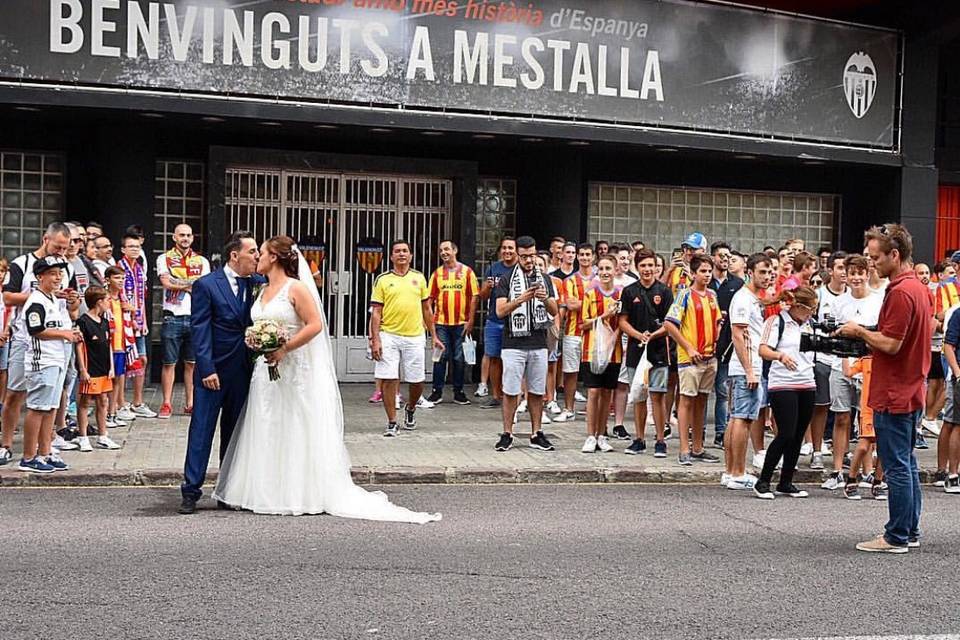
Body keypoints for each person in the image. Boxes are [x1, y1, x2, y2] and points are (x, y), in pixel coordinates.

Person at [210, 236, 440, 522]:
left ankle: (297, 491)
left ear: (275, 258)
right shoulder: (262, 289)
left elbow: (315, 325)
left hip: (294, 368)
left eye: (263, 253)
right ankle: (263, 489)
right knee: (267, 424)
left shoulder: (297, 288)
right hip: (265, 372)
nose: (257, 257)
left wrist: (285, 347)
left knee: (294, 425)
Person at [839, 223, 930, 554]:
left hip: (895, 390)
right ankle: (910, 529)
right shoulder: (918, 288)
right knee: (906, 462)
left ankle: (896, 536)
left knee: (895, 466)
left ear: (895, 254)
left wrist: (859, 332)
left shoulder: (902, 291)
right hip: (910, 387)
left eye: (875, 257)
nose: (871, 262)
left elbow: (891, 344)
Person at [178, 232, 264, 514]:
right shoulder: (207, 284)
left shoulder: (257, 284)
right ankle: (191, 490)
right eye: (252, 252)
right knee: (202, 430)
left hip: (243, 369)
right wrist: (206, 368)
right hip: (212, 371)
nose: (257, 257)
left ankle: (227, 489)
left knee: (234, 432)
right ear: (234, 255)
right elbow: (200, 329)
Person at [0, 223, 73, 466]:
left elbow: (70, 307)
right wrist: (40, 296)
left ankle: (45, 448)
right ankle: (6, 444)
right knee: (15, 393)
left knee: (51, 398)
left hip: (58, 340)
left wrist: (70, 300)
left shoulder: (66, 268)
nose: (62, 251)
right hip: (26, 338)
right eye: (57, 246)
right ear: (45, 239)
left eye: (66, 247)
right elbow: (8, 296)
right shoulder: (23, 263)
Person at [821, 255, 883, 492]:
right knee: (841, 417)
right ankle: (837, 470)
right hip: (841, 365)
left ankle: (867, 473)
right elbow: (833, 332)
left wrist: (861, 333)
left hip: (869, 367)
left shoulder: (878, 300)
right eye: (852, 273)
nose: (857, 278)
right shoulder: (840, 302)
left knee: (866, 422)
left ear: (867, 274)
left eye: (861, 273)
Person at [370, 240, 443, 437]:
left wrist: (433, 335)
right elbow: (376, 312)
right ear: (391, 256)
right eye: (397, 251)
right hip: (389, 335)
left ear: (410, 255)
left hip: (415, 335)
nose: (401, 254)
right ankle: (392, 421)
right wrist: (375, 339)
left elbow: (427, 309)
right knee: (388, 378)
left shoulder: (419, 278)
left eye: (405, 251)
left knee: (417, 380)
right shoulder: (383, 280)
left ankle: (410, 408)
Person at [492, 235, 558, 453]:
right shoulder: (506, 279)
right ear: (517, 255)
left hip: (539, 342)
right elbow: (500, 311)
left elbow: (554, 310)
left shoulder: (544, 278)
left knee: (537, 391)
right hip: (513, 344)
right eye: (525, 256)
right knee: (511, 391)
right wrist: (520, 299)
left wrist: (544, 297)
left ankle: (536, 433)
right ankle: (507, 433)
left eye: (533, 255)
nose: (529, 260)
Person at [753, 287, 819, 499]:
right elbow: (763, 349)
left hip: (807, 381)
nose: (811, 313)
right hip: (783, 383)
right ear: (797, 306)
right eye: (809, 309)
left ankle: (786, 481)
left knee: (798, 434)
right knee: (786, 433)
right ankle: (763, 480)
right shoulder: (776, 321)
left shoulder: (810, 325)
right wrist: (780, 356)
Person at [17, 256, 81, 473]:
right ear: (40, 276)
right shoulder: (36, 301)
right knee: (37, 408)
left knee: (51, 408)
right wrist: (64, 334)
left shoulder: (53, 299)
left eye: (60, 273)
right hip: (41, 361)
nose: (58, 277)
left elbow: (68, 318)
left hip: (57, 360)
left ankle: (45, 452)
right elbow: (36, 330)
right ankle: (28, 457)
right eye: (52, 273)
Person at [664, 254, 722, 466]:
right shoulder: (684, 295)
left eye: (709, 271)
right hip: (690, 358)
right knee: (686, 400)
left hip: (709, 356)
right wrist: (688, 347)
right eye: (703, 271)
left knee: (702, 401)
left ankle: (698, 447)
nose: (707, 275)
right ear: (694, 273)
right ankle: (684, 448)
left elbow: (717, 321)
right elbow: (670, 324)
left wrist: (716, 341)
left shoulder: (712, 295)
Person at [724, 253, 774, 490]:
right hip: (746, 366)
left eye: (769, 271)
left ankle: (730, 472)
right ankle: (737, 472)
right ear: (750, 272)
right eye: (762, 272)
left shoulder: (753, 298)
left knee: (737, 418)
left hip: (747, 366)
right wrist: (750, 371)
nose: (767, 276)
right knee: (742, 420)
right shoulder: (743, 298)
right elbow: (738, 334)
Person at [618, 249, 673, 457]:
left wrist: (654, 335)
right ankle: (639, 439)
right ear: (637, 267)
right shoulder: (629, 291)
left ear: (656, 267)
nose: (647, 269)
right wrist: (639, 335)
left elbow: (670, 323)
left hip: (659, 351)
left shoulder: (665, 292)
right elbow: (622, 321)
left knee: (658, 396)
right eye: (643, 266)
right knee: (638, 396)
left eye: (651, 265)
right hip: (635, 350)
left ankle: (660, 440)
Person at [156, 224, 211, 418]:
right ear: (174, 237)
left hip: (195, 316)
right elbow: (165, 282)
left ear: (193, 238)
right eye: (181, 235)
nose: (185, 238)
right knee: (169, 362)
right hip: (172, 315)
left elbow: (203, 286)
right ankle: (166, 403)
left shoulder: (202, 261)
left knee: (192, 363)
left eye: (188, 235)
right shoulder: (165, 258)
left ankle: (190, 403)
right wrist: (189, 285)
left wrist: (178, 283)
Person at [807, 251, 847, 468]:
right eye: (840, 268)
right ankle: (817, 450)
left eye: (846, 269)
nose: (844, 273)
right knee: (820, 406)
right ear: (830, 270)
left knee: (845, 410)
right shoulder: (820, 295)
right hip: (822, 357)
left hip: (845, 359)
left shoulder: (853, 296)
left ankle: (843, 450)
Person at [426, 240, 478, 406]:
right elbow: (430, 300)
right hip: (441, 323)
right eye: (441, 250)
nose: (444, 252)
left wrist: (470, 321)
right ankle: (436, 391)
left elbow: (474, 298)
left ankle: (459, 392)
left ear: (455, 251)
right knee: (440, 357)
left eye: (447, 249)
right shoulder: (437, 274)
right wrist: (431, 324)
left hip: (461, 324)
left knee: (458, 358)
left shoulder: (467, 272)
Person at [579, 255, 622, 453]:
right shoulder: (590, 294)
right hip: (592, 351)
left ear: (615, 270)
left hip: (614, 352)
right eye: (602, 268)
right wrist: (604, 317)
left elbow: (623, 322)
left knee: (607, 394)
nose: (605, 272)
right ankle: (590, 435)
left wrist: (615, 335)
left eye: (608, 268)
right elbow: (583, 323)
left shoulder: (621, 294)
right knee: (593, 392)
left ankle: (602, 435)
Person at [75, 286, 120, 452]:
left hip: (104, 368)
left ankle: (103, 435)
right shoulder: (83, 322)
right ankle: (83, 437)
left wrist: (111, 366)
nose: (109, 303)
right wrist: (82, 369)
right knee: (85, 401)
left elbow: (108, 345)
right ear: (99, 302)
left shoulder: (105, 322)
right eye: (107, 300)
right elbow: (79, 347)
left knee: (103, 400)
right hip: (90, 367)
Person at [709, 241, 744, 449]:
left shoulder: (737, 283)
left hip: (727, 346)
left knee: (723, 392)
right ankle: (698, 432)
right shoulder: (704, 280)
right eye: (721, 255)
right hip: (704, 345)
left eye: (728, 256)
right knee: (702, 393)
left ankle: (721, 433)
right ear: (713, 257)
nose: (725, 259)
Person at [118, 234, 156, 419]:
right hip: (123, 322)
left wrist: (143, 321)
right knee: (123, 363)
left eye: (137, 246)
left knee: (142, 359)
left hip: (139, 322)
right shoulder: (118, 268)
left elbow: (141, 299)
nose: (134, 249)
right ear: (123, 249)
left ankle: (137, 402)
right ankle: (120, 403)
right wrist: (129, 317)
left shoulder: (140, 268)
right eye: (130, 246)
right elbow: (120, 297)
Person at [557, 243, 595, 422]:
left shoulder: (600, 278)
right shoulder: (570, 280)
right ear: (577, 257)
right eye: (582, 254)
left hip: (595, 334)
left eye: (588, 254)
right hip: (573, 331)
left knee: (593, 371)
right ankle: (568, 408)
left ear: (593, 256)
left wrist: (581, 302)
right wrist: (593, 304)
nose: (585, 257)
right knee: (570, 372)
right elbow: (570, 304)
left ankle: (592, 410)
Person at [478, 237, 517, 410]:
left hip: (513, 321)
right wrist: (488, 286)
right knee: (493, 357)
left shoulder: (519, 269)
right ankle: (495, 395)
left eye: (511, 248)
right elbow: (483, 296)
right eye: (504, 248)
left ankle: (512, 395)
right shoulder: (493, 268)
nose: (507, 251)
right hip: (494, 319)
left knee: (512, 360)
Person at [842, 355, 887, 500]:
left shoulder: (890, 359)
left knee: (884, 447)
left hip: (886, 408)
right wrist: (843, 355)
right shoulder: (865, 360)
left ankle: (878, 482)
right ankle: (851, 479)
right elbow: (848, 372)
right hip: (868, 410)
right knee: (863, 446)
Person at [103, 266, 133, 427]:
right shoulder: (104, 299)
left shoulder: (123, 299)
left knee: (118, 380)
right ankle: (105, 413)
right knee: (107, 380)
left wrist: (132, 310)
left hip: (121, 344)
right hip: (108, 346)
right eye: (117, 278)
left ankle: (113, 412)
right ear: (107, 280)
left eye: (122, 278)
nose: (121, 281)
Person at [940, 307, 960, 493]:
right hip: (959, 377)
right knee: (956, 424)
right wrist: (957, 371)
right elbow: (948, 345)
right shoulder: (958, 313)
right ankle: (952, 474)